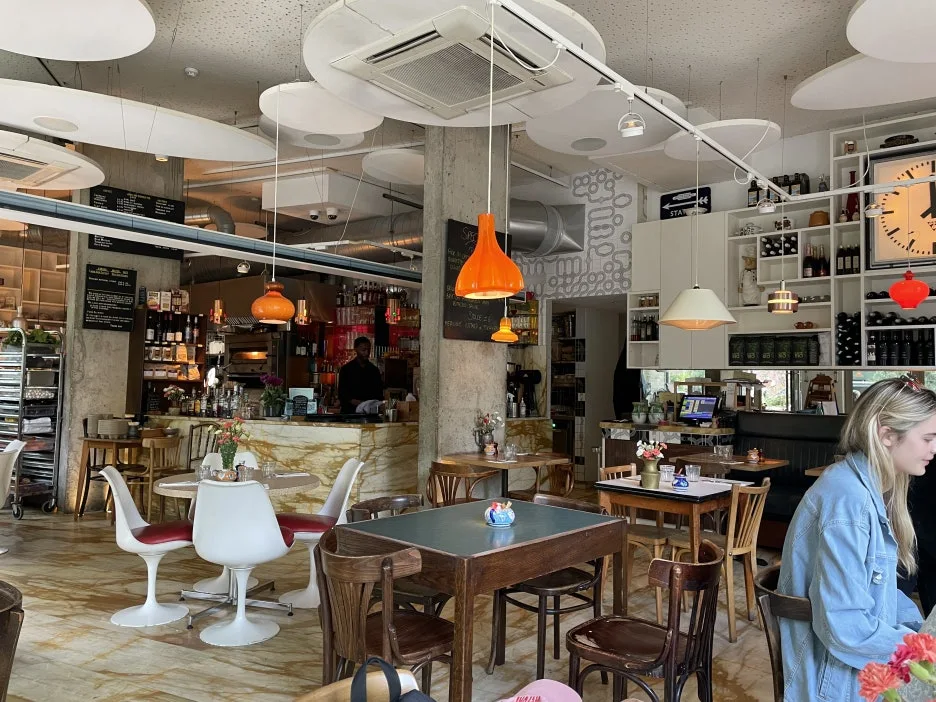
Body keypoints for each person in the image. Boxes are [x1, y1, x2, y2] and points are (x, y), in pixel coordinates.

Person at [778, 377, 934, 700]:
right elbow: (845, 626)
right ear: (886, 435)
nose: (934, 449)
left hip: (851, 666)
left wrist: (922, 635)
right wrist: (919, 651)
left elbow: (881, 593)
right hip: (835, 680)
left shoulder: (865, 488)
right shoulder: (849, 501)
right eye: (928, 439)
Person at [337, 336, 383, 414]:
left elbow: (379, 394)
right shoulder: (346, 369)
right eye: (363, 350)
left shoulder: (374, 370)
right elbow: (341, 393)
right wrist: (353, 401)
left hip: (369, 414)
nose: (367, 353)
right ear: (356, 349)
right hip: (349, 413)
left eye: (369, 350)